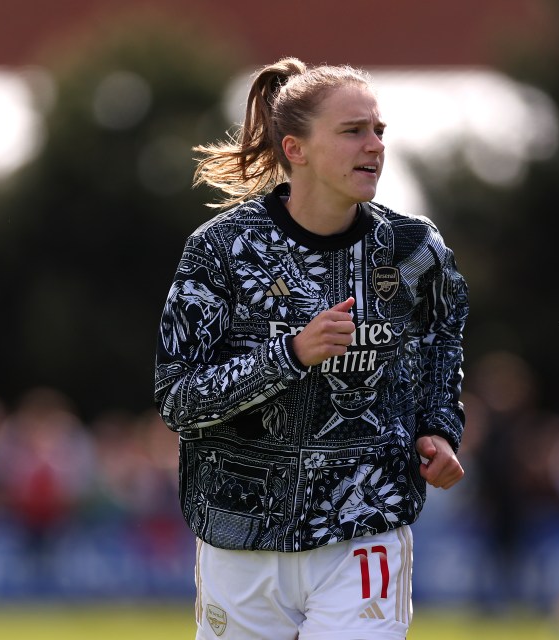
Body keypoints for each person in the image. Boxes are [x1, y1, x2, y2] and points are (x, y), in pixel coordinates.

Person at [154, 57, 469, 639]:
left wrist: (439, 426)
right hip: (240, 532)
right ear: (295, 149)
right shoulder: (221, 250)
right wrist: (291, 355)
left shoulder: (413, 247)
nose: (374, 145)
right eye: (353, 131)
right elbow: (179, 399)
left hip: (365, 522)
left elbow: (441, 339)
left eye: (379, 131)